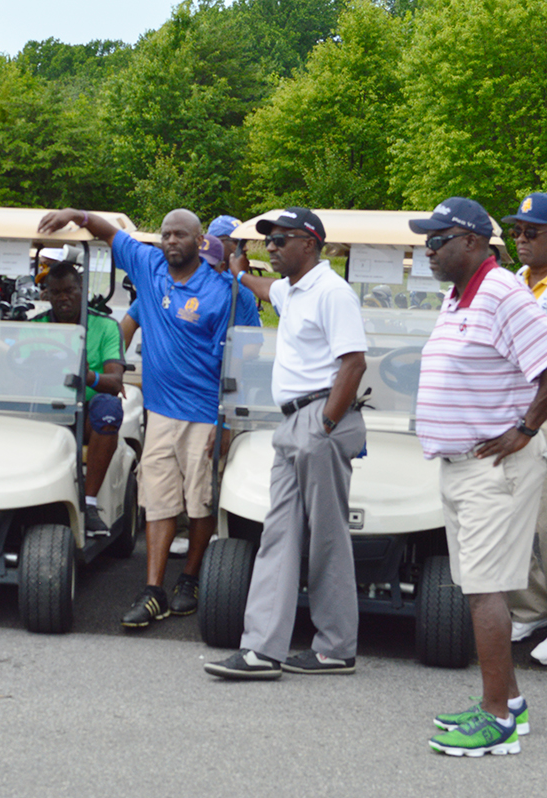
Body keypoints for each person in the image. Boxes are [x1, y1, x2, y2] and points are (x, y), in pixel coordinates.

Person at [38, 209, 260, 627]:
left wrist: (227, 423)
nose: (170, 241)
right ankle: (153, 589)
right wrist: (78, 215)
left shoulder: (230, 294)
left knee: (199, 504)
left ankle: (190, 579)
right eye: (165, 235)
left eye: (180, 235)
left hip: (205, 416)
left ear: (199, 241)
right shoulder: (150, 268)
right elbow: (110, 234)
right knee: (157, 501)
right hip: (160, 412)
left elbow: (245, 363)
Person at [410, 197, 547, 756]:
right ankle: (512, 704)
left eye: (437, 238)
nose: (428, 248)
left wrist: (526, 428)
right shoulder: (460, 294)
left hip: (492, 469)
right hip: (464, 466)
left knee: (484, 593)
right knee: (480, 587)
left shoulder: (501, 291)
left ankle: (496, 720)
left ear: (472, 242)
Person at [203, 207, 368, 679]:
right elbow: (261, 287)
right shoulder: (291, 289)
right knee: (278, 534)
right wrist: (238, 272)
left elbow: (353, 365)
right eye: (268, 242)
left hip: (320, 417)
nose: (270, 248)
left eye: (280, 240)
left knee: (327, 538)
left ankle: (335, 646)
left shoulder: (331, 292)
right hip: (295, 421)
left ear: (309, 243)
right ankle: (262, 650)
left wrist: (327, 424)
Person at [501, 192, 547, 666]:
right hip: (514, 408)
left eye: (533, 231)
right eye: (517, 230)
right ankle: (530, 608)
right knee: (513, 519)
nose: (521, 239)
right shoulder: (513, 281)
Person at [30, 263, 126, 533]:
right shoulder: (34, 326)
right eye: (56, 292)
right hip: (44, 411)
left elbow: (115, 381)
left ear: (82, 290)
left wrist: (86, 375)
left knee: (109, 407)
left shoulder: (106, 326)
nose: (63, 297)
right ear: (47, 295)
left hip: (86, 415)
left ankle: (90, 502)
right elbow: (16, 370)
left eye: (70, 291)